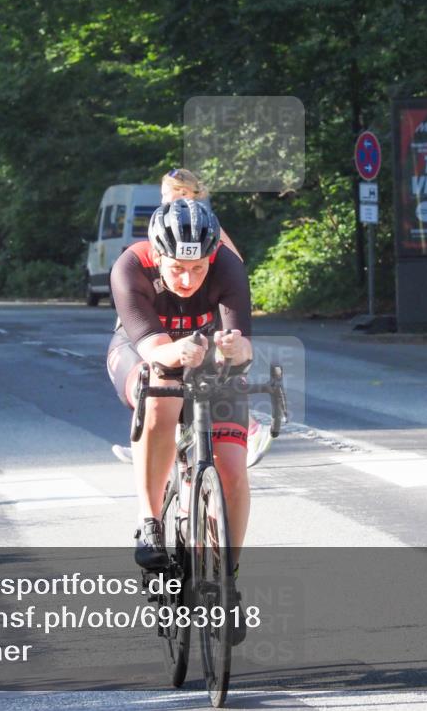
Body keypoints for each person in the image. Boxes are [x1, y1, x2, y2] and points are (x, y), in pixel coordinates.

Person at [106, 198, 252, 642]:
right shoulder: (129, 267)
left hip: (206, 354)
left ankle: (226, 581)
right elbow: (154, 349)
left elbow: (244, 348)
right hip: (143, 352)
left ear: (211, 257)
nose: (187, 281)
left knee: (230, 467)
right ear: (157, 255)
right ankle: (150, 522)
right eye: (175, 270)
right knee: (163, 390)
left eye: (197, 270)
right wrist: (178, 353)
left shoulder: (227, 265)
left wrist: (234, 348)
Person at [117, 168, 272, 468]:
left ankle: (250, 429)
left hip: (201, 311)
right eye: (163, 194)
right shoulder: (168, 221)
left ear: (188, 194)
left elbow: (233, 265)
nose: (164, 200)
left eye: (171, 194)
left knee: (220, 370)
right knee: (158, 378)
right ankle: (152, 445)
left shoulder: (202, 221)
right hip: (166, 311)